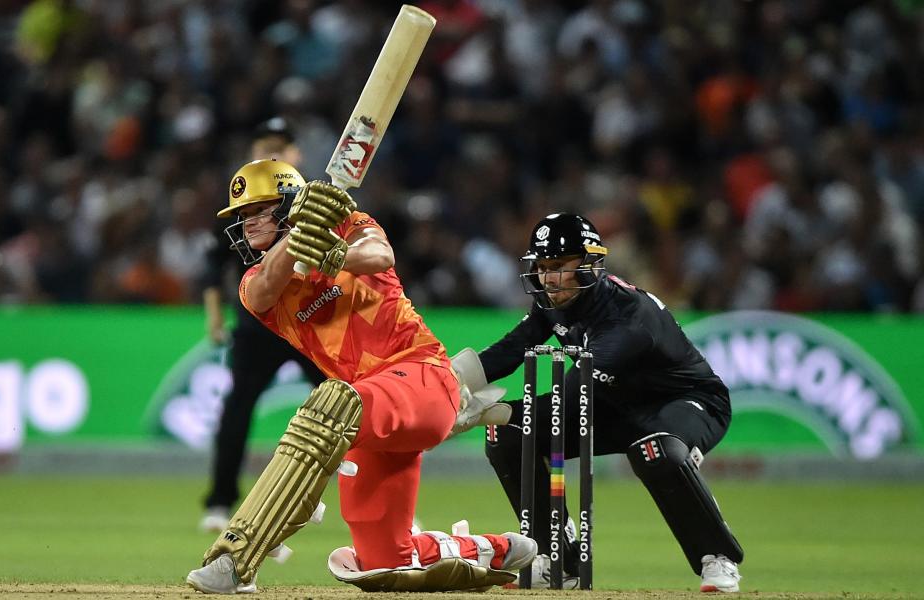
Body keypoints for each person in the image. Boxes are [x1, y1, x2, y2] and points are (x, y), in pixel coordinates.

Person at [185, 158, 538, 594]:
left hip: (422, 376)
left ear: (290, 206)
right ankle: (495, 551)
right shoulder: (257, 281)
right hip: (370, 419)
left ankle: (236, 558)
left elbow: (379, 254)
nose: (248, 223)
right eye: (242, 216)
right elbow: (263, 288)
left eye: (259, 210)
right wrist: (298, 238)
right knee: (381, 563)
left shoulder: (349, 223)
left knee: (330, 403)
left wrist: (335, 252)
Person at [455, 213, 744, 592]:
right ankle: (559, 559)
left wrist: (494, 409)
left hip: (683, 402)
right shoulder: (553, 301)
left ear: (590, 263)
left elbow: (572, 395)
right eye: (541, 267)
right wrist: (448, 381)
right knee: (506, 434)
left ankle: (718, 557)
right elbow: (511, 348)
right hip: (613, 404)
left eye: (558, 266)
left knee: (656, 451)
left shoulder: (628, 318)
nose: (547, 277)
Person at [199, 117, 326, 533]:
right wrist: (215, 317)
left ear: (296, 156)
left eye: (280, 147)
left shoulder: (314, 202)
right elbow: (214, 267)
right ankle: (219, 502)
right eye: (264, 146)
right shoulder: (245, 208)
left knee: (348, 408)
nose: (271, 154)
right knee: (237, 409)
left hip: (311, 323)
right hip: (259, 326)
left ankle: (372, 493)